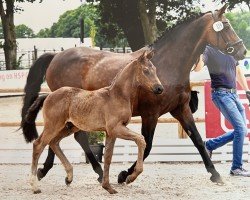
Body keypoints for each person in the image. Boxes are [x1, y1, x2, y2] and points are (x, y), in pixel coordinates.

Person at [195, 45, 250, 177]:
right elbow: (198, 68)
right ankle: (236, 168)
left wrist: (247, 90)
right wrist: (197, 50)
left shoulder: (231, 48)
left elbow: (238, 70)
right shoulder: (208, 49)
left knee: (242, 130)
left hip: (234, 94)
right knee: (241, 129)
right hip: (221, 94)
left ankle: (209, 145)